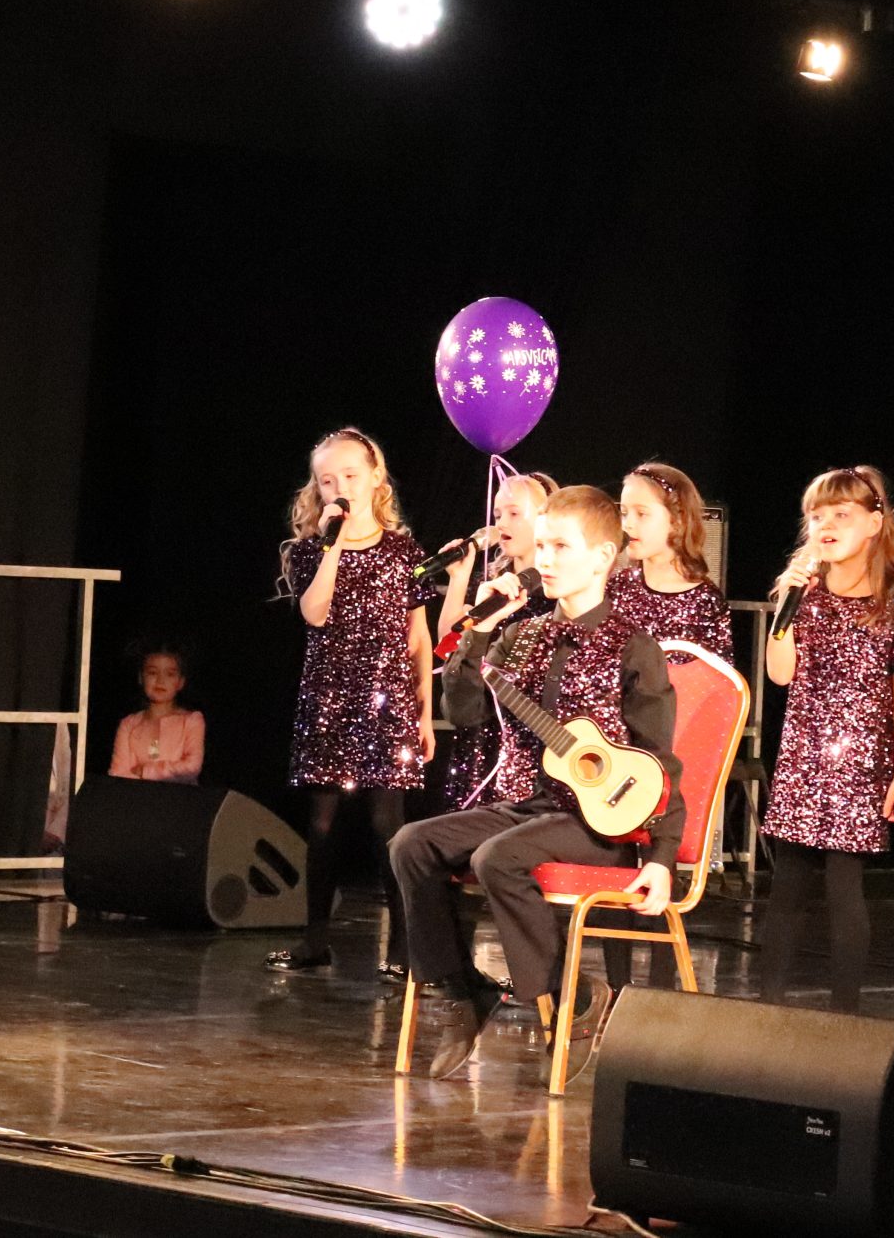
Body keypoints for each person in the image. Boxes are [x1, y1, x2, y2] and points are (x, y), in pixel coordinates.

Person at [390, 486, 684, 1079]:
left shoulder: (633, 646)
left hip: (597, 824)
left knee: (498, 858)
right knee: (410, 844)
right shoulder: (522, 636)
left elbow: (659, 762)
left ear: (602, 557)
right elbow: (464, 711)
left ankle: (570, 998)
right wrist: (479, 630)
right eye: (541, 546)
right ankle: (461, 989)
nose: (543, 559)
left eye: (560, 547)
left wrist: (663, 856)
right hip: (527, 807)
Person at [268, 428, 437, 975]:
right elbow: (314, 613)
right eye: (327, 480)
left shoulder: (405, 552)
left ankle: (403, 950)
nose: (340, 487)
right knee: (322, 826)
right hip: (329, 702)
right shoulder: (309, 551)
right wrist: (333, 544)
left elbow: (419, 636)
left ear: (376, 477)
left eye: (350, 475)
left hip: (389, 705)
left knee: (389, 826)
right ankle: (314, 939)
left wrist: (424, 710)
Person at [756, 465, 894, 1014]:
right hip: (803, 757)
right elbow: (780, 673)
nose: (826, 525)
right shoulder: (806, 595)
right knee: (788, 887)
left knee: (845, 890)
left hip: (861, 764)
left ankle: (844, 1013)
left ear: (874, 523)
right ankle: (768, 1006)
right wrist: (788, 603)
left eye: (841, 515)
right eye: (817, 516)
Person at [433, 471, 558, 811]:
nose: (502, 523)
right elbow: (450, 644)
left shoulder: (556, 592)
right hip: (478, 726)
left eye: (515, 513)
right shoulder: (492, 583)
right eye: (498, 514)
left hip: (525, 734)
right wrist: (459, 578)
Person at [609, 461, 735, 661]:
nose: (628, 524)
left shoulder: (705, 601)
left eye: (641, 514)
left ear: (677, 520)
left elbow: (715, 676)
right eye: (624, 513)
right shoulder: (614, 587)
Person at [108, 645, 205, 784]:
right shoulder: (129, 724)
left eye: (170, 674)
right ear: (141, 677)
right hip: (137, 796)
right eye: (153, 673)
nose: (160, 681)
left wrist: (146, 771)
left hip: (180, 796)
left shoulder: (191, 721)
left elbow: (191, 767)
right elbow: (118, 773)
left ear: (180, 682)